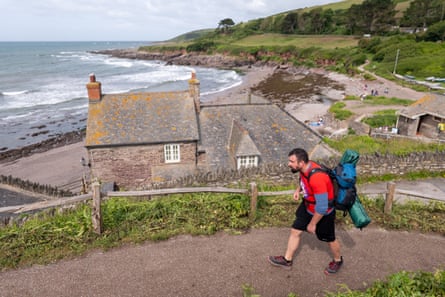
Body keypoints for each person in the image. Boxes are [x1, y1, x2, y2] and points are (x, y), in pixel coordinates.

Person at [268, 148, 343, 274]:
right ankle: (287, 260)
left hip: (323, 213)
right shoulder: (305, 168)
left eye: (291, 161)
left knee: (330, 239)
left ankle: (338, 260)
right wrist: (298, 190)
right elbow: (303, 179)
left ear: (301, 163)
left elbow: (322, 206)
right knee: (295, 231)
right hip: (308, 205)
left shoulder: (317, 177)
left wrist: (312, 224)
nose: (289, 164)